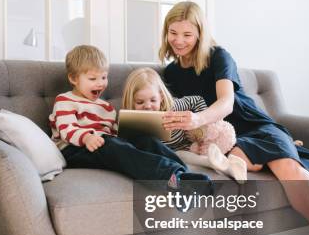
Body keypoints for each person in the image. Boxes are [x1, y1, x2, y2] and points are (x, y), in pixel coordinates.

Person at [159, 2, 309, 235]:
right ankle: (280, 151)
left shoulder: (219, 56)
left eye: (187, 34)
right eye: (174, 33)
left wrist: (197, 120)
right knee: (244, 162)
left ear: (200, 34)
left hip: (254, 126)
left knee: (288, 170)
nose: (179, 40)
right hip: (225, 137)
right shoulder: (169, 74)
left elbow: (226, 102)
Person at [49, 45, 210, 190]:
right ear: (73, 78)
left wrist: (130, 136)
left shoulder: (107, 108)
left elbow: (116, 136)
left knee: (145, 140)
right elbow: (66, 129)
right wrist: (86, 138)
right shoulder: (65, 100)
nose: (100, 83)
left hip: (103, 146)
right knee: (110, 144)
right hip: (75, 150)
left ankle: (186, 177)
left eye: (104, 77)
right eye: (93, 79)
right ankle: (172, 179)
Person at [121, 67, 247, 181]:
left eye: (153, 100)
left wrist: (199, 125)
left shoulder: (174, 107)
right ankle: (215, 163)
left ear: (161, 97)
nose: (147, 106)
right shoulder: (132, 120)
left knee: (186, 153)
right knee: (180, 156)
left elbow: (197, 100)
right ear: (131, 101)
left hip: (192, 143)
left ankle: (226, 163)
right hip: (177, 153)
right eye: (139, 102)